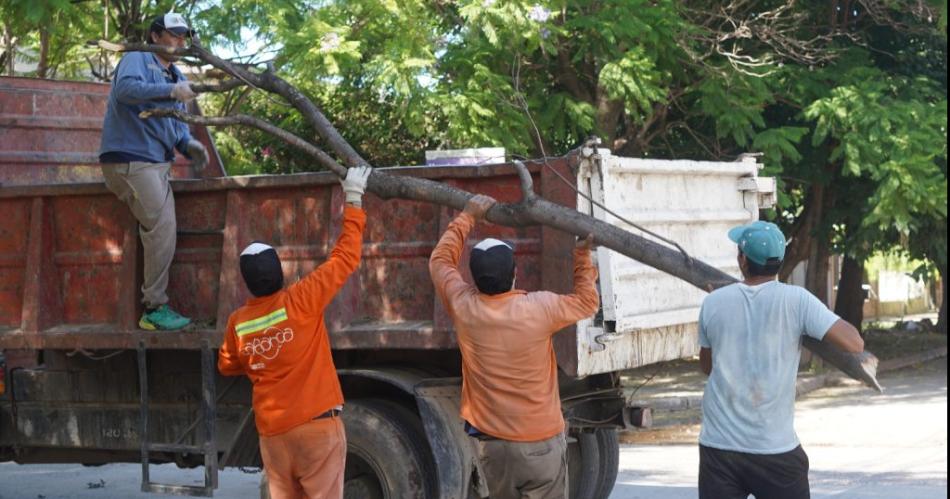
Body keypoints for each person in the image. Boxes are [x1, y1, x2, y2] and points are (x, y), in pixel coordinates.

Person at [429, 194, 600, 499]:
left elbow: (440, 261)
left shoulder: (463, 305)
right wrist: (582, 256)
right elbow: (588, 301)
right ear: (514, 274)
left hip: (491, 448)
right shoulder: (539, 308)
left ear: (474, 278)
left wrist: (468, 215)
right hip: (539, 445)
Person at [217, 166, 371, 499]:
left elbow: (227, 365)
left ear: (247, 282)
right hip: (316, 429)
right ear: (281, 272)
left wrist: (258, 356)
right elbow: (345, 257)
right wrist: (354, 196)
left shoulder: (238, 322)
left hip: (273, 437)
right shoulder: (301, 300)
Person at [697, 220, 865, 499]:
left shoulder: (714, 302)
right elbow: (854, 342)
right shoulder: (796, 301)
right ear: (779, 261)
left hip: (719, 449)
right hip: (774, 449)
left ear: (742, 260)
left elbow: (707, 367)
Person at [99, 12, 209, 330]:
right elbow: (126, 91)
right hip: (131, 159)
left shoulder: (175, 76)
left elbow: (175, 131)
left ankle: (153, 304)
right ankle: (154, 309)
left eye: (183, 36)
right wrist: (171, 93)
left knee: (159, 226)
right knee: (162, 225)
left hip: (154, 164)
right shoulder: (139, 57)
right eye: (173, 34)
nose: (179, 41)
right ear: (155, 36)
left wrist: (191, 146)